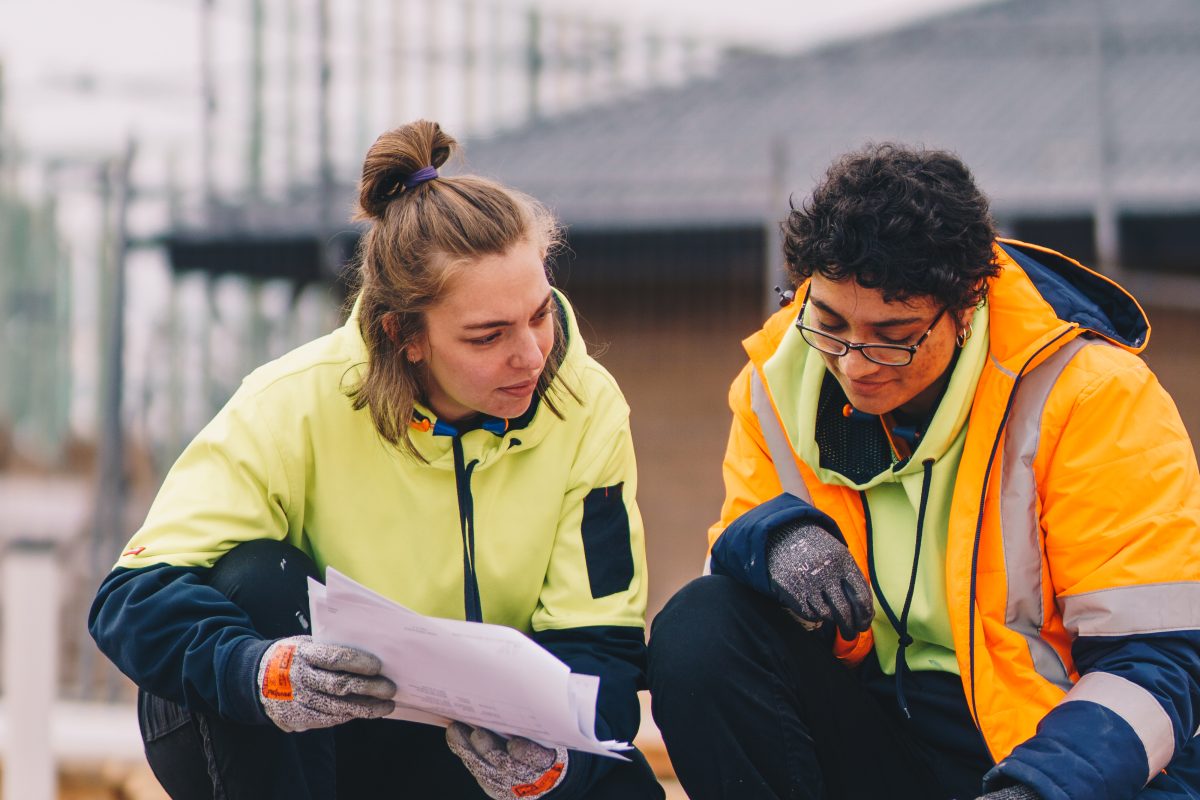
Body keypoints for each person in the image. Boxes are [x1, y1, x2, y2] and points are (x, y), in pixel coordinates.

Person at [89, 120, 664, 800]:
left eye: (539, 315)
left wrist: (550, 769)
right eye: (488, 336)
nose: (533, 355)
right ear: (404, 336)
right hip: (294, 738)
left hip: (465, 745)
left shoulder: (586, 404)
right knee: (254, 580)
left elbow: (603, 652)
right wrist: (258, 671)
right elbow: (131, 599)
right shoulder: (294, 402)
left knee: (618, 784)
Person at [647, 143, 1200, 800]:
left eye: (893, 334)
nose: (854, 364)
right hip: (881, 736)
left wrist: (1041, 787)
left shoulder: (1093, 396)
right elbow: (735, 598)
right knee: (699, 627)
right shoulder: (776, 382)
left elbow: (1159, 661)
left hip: (1060, 757)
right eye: (828, 323)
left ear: (967, 306)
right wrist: (769, 541)